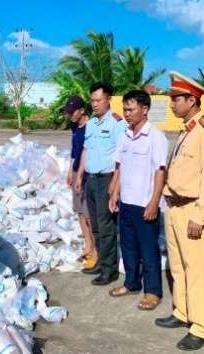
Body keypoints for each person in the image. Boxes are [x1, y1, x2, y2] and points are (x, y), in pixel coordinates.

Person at [154, 71, 204, 351]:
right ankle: (183, 313)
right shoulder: (187, 130)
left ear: (192, 100)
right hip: (174, 208)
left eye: (176, 99)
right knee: (178, 266)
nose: (172, 104)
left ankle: (202, 327)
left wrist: (201, 215)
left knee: (197, 271)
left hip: (193, 210)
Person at [107, 90, 168, 311]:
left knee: (148, 250)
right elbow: (120, 167)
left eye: (131, 109)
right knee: (129, 246)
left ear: (145, 110)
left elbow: (160, 172)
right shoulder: (124, 135)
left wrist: (154, 202)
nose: (127, 113)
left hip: (145, 204)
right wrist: (114, 193)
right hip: (127, 202)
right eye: (125, 109)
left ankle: (152, 292)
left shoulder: (156, 137)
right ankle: (131, 283)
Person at [75, 82, 126, 286]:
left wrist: (115, 186)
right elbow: (86, 151)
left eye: (98, 100)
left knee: (106, 227)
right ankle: (99, 261)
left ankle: (109, 269)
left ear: (108, 100)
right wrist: (80, 176)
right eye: (92, 100)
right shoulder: (91, 124)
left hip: (106, 179)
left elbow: (121, 158)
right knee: (95, 225)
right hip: (91, 179)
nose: (94, 104)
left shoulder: (117, 124)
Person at [64, 95, 98, 270]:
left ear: (82, 110)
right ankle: (87, 244)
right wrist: (71, 171)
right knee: (79, 211)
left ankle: (95, 250)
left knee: (88, 214)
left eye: (72, 112)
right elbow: (74, 151)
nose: (70, 115)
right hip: (77, 172)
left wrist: (80, 175)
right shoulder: (75, 127)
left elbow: (89, 152)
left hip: (87, 174)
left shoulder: (92, 127)